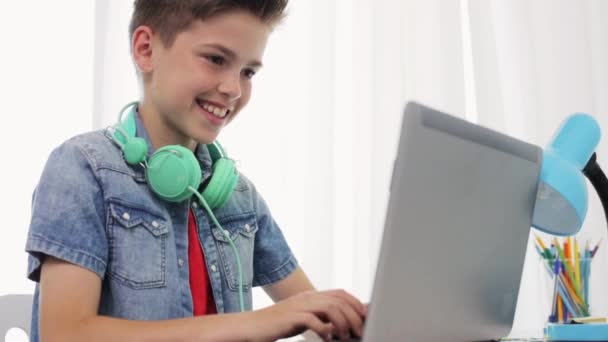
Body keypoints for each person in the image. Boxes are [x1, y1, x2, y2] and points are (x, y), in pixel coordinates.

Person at [24, 1, 366, 341]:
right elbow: (66, 334)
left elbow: (314, 313)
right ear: (146, 50)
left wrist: (355, 319)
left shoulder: (236, 195)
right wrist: (253, 324)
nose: (233, 88)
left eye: (248, 72)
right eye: (216, 60)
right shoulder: (83, 168)